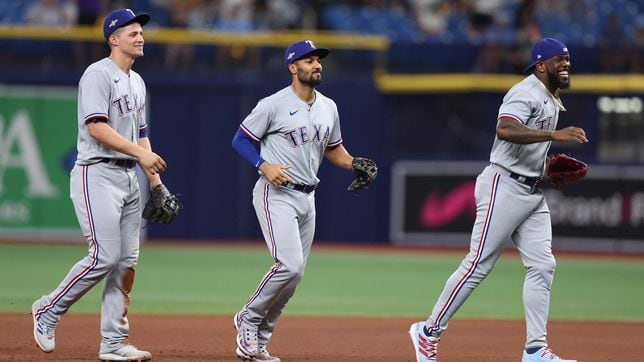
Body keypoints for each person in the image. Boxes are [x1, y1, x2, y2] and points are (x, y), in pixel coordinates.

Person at [409, 37, 588, 362]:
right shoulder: (526, 92)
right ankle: (427, 331)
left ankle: (535, 350)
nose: (566, 65)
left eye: (567, 59)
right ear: (540, 65)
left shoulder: (551, 97)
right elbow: (505, 129)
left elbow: (525, 148)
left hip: (532, 191)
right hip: (503, 186)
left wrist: (547, 168)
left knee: (543, 265)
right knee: (478, 264)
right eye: (559, 60)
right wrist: (554, 135)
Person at [31, 8, 167, 361]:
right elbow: (97, 128)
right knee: (103, 257)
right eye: (132, 32)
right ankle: (47, 309)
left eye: (141, 32)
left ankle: (113, 343)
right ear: (113, 39)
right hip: (97, 172)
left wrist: (155, 180)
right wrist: (140, 154)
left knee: (126, 264)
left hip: (129, 177)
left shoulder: (137, 81)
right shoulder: (98, 74)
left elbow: (142, 135)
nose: (140, 37)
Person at [231, 39, 375, 362]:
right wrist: (263, 165)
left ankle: (259, 342)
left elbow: (333, 149)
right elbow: (240, 139)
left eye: (318, 60)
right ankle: (248, 319)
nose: (316, 65)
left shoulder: (329, 107)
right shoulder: (273, 104)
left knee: (293, 279)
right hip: (275, 194)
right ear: (292, 67)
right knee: (289, 266)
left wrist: (353, 164)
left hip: (308, 198)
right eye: (308, 60)